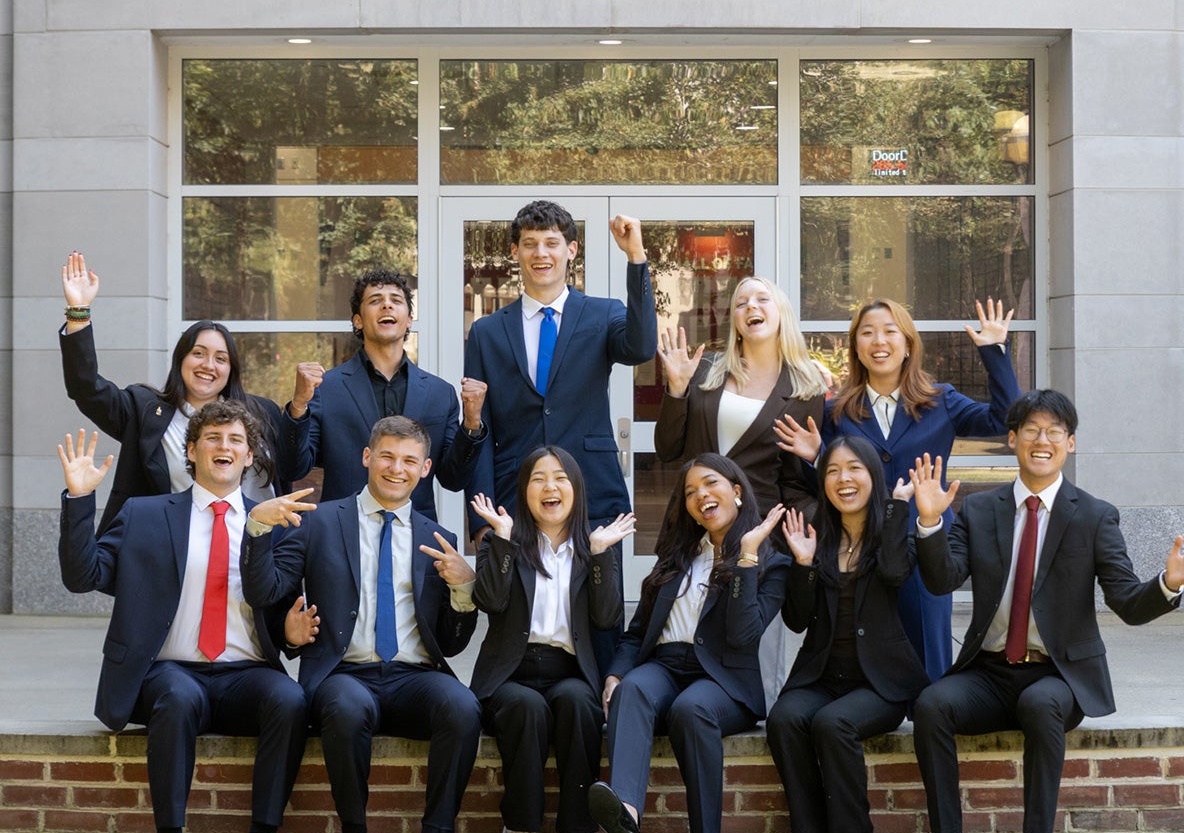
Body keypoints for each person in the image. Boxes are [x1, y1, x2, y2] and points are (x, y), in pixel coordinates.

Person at [908, 390, 1184, 833]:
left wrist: (1167, 584)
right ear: (1012, 439)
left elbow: (1126, 603)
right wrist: (928, 522)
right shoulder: (981, 511)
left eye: (1053, 432)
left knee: (1040, 702)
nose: (1040, 440)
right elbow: (943, 578)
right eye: (1030, 430)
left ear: (1070, 443)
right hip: (988, 670)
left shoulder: (1093, 515)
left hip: (1057, 676)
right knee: (931, 704)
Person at [55, 400, 318, 833]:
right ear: (191, 451)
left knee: (290, 699)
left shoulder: (274, 523)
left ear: (249, 455)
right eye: (213, 438)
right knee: (176, 697)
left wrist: (291, 635)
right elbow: (84, 575)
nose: (225, 447)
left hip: (246, 672)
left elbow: (278, 607)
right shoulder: (145, 514)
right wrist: (78, 500)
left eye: (236, 440)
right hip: (170, 670)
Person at [240, 415, 482, 833]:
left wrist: (465, 590)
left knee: (463, 708)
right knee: (347, 709)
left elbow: (450, 644)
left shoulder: (439, 540)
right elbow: (268, 591)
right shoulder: (320, 523)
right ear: (367, 458)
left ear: (426, 468)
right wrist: (257, 532)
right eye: (387, 456)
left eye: (410, 460)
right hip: (345, 673)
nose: (397, 468)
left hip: (416, 676)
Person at [776, 297, 1020, 681]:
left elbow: (1006, 419)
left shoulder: (942, 401)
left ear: (908, 345)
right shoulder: (837, 410)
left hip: (924, 544)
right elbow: (831, 485)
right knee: (865, 653)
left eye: (890, 332)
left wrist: (993, 351)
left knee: (928, 653)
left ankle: (930, 724)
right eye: (868, 333)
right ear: (855, 346)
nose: (879, 341)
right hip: (860, 548)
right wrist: (817, 456)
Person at [464, 201, 658, 668]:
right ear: (515, 251)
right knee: (516, 614)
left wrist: (636, 259)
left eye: (552, 243)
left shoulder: (602, 313)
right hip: (516, 494)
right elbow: (480, 425)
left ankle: (603, 707)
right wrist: (479, 517)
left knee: (600, 612)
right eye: (530, 244)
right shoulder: (488, 332)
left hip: (592, 486)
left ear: (572, 250)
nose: (541, 253)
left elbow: (641, 345)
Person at [587, 455, 790, 833]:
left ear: (736, 490)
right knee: (632, 690)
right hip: (664, 664)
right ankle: (626, 813)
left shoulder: (772, 563)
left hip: (723, 680)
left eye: (710, 484)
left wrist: (745, 557)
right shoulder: (676, 558)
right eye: (690, 492)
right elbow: (638, 632)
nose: (700, 496)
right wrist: (615, 674)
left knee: (691, 709)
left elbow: (743, 635)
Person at [765, 436, 931, 833]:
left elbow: (895, 574)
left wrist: (897, 509)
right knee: (784, 718)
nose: (844, 479)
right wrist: (802, 566)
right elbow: (796, 621)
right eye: (834, 470)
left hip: (880, 682)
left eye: (854, 468)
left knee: (832, 723)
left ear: (873, 474)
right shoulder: (814, 534)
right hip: (822, 675)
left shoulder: (891, 531)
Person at [468, 448, 634, 833]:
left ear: (576, 490)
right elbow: (490, 600)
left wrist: (599, 555)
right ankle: (520, 832)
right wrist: (502, 539)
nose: (549, 487)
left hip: (568, 670)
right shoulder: (500, 541)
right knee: (527, 709)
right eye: (538, 479)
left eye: (560, 478)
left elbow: (607, 616)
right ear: (524, 491)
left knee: (580, 705)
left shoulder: (594, 547)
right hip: (511, 672)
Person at [60, 251, 288, 533]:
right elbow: (86, 389)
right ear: (181, 360)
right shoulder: (144, 410)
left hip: (252, 546)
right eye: (198, 353)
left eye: (220, 358)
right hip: (171, 549)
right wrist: (78, 313)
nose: (208, 365)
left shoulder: (262, 413)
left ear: (232, 369)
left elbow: (293, 465)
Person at [286, 268, 487, 515]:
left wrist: (472, 423)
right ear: (357, 320)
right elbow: (295, 468)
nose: (387, 306)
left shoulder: (440, 393)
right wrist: (298, 406)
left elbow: (453, 480)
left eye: (395, 300)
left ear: (409, 319)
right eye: (375, 300)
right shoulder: (327, 388)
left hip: (417, 538)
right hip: (342, 533)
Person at [655, 276, 826, 527]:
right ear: (735, 320)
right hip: (693, 522)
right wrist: (677, 389)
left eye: (762, 299)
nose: (751, 307)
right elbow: (667, 449)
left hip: (759, 526)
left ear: (782, 313)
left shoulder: (806, 391)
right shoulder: (704, 370)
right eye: (741, 303)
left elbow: (793, 480)